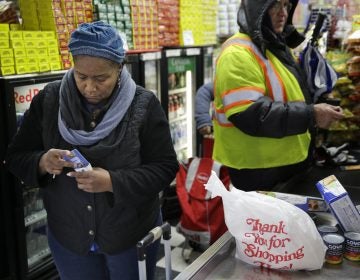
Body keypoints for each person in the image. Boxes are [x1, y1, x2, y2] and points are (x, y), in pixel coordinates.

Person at [4, 21, 178, 280]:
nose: (89, 87)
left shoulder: (143, 105)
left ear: (119, 68)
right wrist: (42, 161)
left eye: (101, 78)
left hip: (128, 236)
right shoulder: (50, 101)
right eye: (81, 76)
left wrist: (112, 182)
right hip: (70, 238)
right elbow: (16, 156)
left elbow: (165, 168)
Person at [213, 0, 344, 191]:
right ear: (257, 9)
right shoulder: (238, 53)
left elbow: (287, 96)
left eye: (286, 6)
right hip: (258, 171)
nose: (283, 13)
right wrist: (312, 114)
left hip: (284, 166)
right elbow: (250, 114)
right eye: (275, 5)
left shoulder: (274, 47)